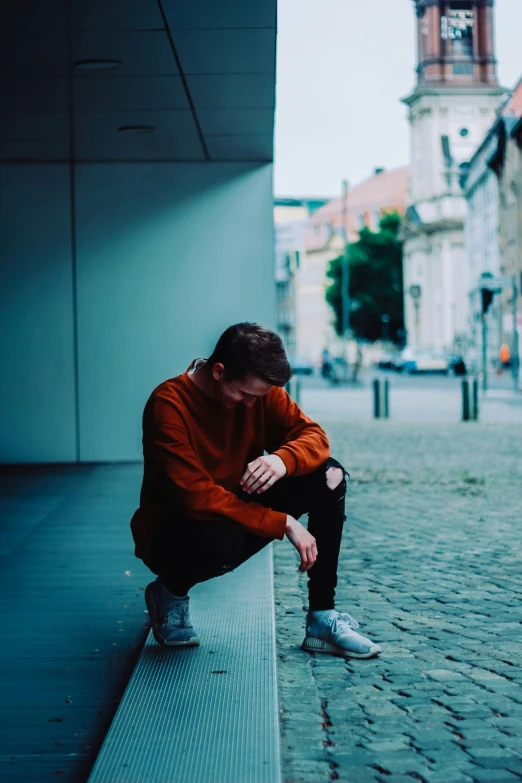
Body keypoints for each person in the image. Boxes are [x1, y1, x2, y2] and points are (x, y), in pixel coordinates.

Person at [130, 323, 380, 660]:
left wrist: (282, 459)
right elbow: (194, 496)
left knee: (329, 475)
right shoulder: (169, 403)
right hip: (176, 530)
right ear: (219, 372)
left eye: (259, 397)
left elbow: (314, 437)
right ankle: (171, 591)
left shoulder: (259, 392)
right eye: (246, 395)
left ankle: (322, 617)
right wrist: (285, 522)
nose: (253, 405)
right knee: (220, 540)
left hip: (233, 505)